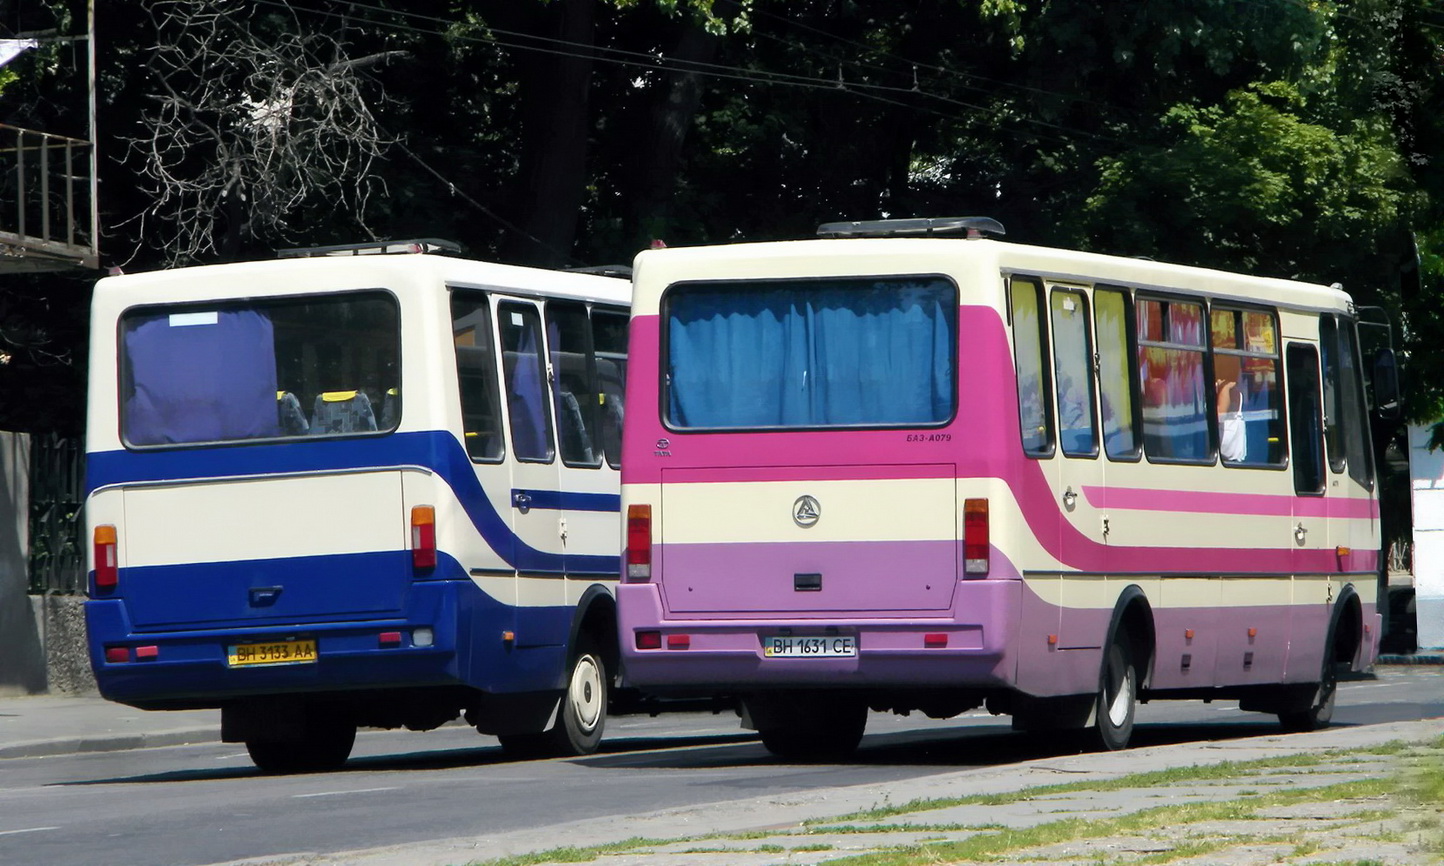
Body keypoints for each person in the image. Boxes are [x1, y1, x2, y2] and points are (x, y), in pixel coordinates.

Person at [1216, 370, 1246, 462]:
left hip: (1226, 458)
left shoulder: (1227, 389)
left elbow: (1219, 416)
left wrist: (1224, 388)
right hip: (1233, 458)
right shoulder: (1234, 389)